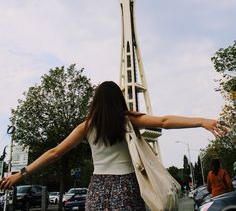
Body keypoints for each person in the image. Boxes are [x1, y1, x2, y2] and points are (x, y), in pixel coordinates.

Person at [0, 81, 229, 210]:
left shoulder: (86, 127)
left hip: (98, 188)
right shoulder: (127, 120)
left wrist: (22, 173)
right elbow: (164, 122)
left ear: (96, 102)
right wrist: (201, 121)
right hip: (127, 186)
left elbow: (54, 152)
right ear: (118, 100)